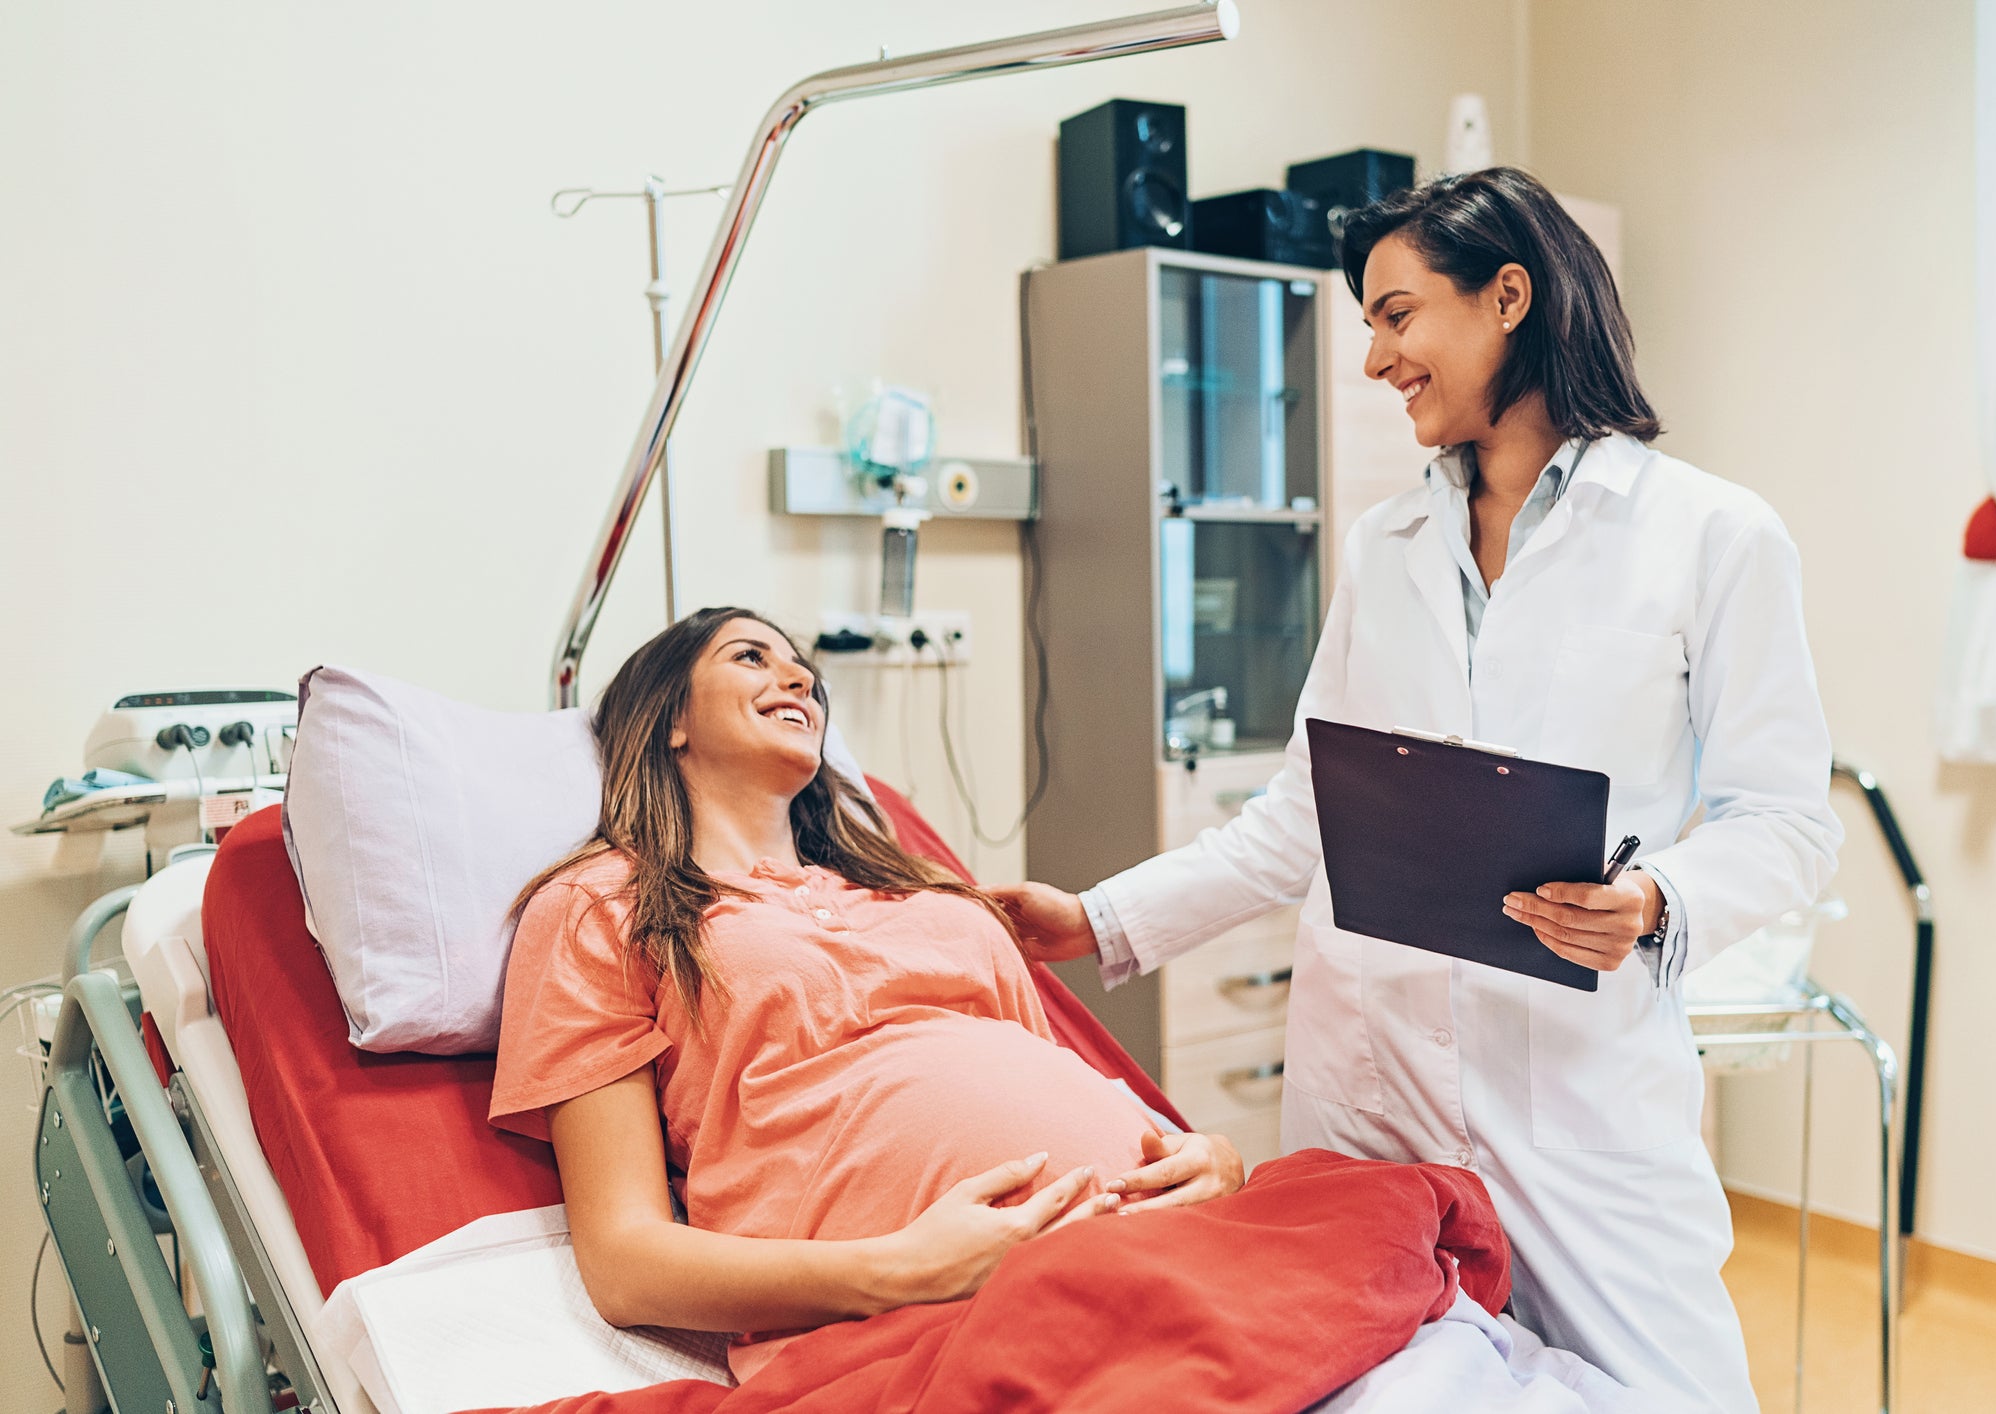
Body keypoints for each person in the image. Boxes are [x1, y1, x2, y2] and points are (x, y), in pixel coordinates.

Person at [996, 168, 1843, 1414]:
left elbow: (1788, 821)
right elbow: (1302, 818)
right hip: (1371, 1100)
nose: (1378, 357)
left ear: (1509, 297)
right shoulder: (1383, 547)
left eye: (1398, 315)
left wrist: (1658, 898)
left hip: (1578, 1112)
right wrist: (1100, 919)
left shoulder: (1714, 539)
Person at [489, 608, 1243, 1383]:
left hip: (1168, 1249)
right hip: (923, 1324)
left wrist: (1206, 1158)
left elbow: (1046, 1082)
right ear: (670, 719)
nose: (798, 680)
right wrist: (903, 1269)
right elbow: (624, 1265)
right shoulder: (602, 903)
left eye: (802, 670)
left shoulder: (931, 896)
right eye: (751, 657)